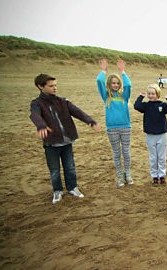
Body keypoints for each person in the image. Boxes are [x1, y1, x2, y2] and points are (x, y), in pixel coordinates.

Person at [30, 73, 101, 204]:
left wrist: (90, 121)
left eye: (55, 85)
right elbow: (35, 115)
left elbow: (77, 111)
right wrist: (41, 126)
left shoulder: (62, 101)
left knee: (70, 167)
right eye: (51, 86)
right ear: (40, 87)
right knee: (55, 170)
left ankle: (72, 188)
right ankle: (57, 191)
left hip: (66, 141)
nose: (55, 88)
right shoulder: (37, 103)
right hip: (51, 143)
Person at [96, 59, 133, 188]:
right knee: (117, 153)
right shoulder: (106, 96)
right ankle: (119, 176)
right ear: (109, 84)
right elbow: (99, 81)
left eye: (117, 83)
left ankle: (127, 174)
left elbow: (128, 85)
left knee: (126, 152)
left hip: (125, 127)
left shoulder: (124, 96)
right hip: (112, 129)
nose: (116, 85)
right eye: (113, 83)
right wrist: (103, 71)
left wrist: (122, 72)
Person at [134, 84, 167, 185]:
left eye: (153, 94)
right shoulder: (146, 106)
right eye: (149, 94)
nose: (151, 95)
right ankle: (154, 176)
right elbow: (137, 106)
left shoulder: (162, 105)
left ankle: (162, 175)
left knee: (161, 157)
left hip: (162, 134)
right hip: (150, 135)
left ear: (157, 94)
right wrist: (140, 97)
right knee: (153, 157)